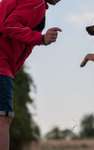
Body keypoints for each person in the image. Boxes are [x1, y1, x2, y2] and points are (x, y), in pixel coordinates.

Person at [0, 0, 62, 149]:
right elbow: (9, 25)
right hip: (1, 64)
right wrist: (41, 38)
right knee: (3, 119)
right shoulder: (36, 3)